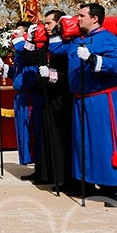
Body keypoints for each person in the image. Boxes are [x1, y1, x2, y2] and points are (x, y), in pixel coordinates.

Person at [56, 3, 117, 207]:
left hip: (102, 98)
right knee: (87, 143)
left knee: (108, 141)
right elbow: (55, 49)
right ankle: (97, 183)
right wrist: (58, 30)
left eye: (81, 15)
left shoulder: (107, 38)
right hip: (81, 99)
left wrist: (93, 59)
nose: (78, 18)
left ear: (95, 18)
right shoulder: (77, 40)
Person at [35, 10, 72, 187]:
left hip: (64, 95)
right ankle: (53, 174)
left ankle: (66, 177)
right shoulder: (47, 44)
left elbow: (71, 70)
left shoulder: (68, 42)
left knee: (63, 135)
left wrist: (54, 75)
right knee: (51, 135)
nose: (46, 27)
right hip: (48, 93)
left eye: (49, 23)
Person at [12, 26, 43, 170]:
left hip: (30, 94)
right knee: (23, 131)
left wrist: (21, 39)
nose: (15, 33)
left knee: (32, 130)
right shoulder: (21, 50)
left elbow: (27, 56)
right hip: (21, 95)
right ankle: (33, 163)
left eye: (19, 31)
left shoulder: (29, 47)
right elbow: (21, 70)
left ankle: (38, 164)